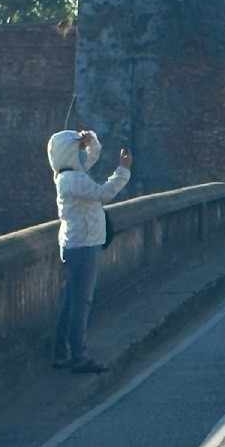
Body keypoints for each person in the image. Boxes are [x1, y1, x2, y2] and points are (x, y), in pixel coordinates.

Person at [46, 129, 132, 373]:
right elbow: (104, 194)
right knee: (81, 304)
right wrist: (123, 170)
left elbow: (92, 157)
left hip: (74, 244)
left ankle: (61, 353)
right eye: (77, 149)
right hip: (84, 246)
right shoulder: (75, 180)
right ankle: (80, 357)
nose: (81, 153)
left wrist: (89, 141)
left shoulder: (65, 176)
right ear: (70, 153)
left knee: (70, 303)